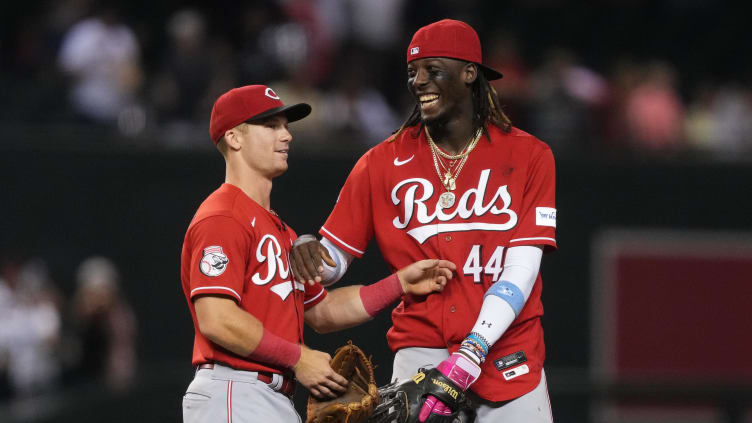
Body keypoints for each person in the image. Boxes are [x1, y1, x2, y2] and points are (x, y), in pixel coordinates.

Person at [291, 19, 557, 422]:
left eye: (433, 69)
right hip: (422, 357)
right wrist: (306, 247)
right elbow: (332, 263)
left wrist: (473, 349)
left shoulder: (529, 155)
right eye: (413, 71)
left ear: (470, 73)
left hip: (507, 353)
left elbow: (521, 269)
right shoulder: (381, 162)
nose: (419, 81)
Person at [180, 84, 456, 422]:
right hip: (235, 389)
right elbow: (217, 318)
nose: (286, 136)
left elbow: (322, 312)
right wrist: (298, 358)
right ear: (234, 138)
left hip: (268, 395)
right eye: (270, 126)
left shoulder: (281, 231)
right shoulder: (223, 216)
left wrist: (399, 283)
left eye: (285, 126)